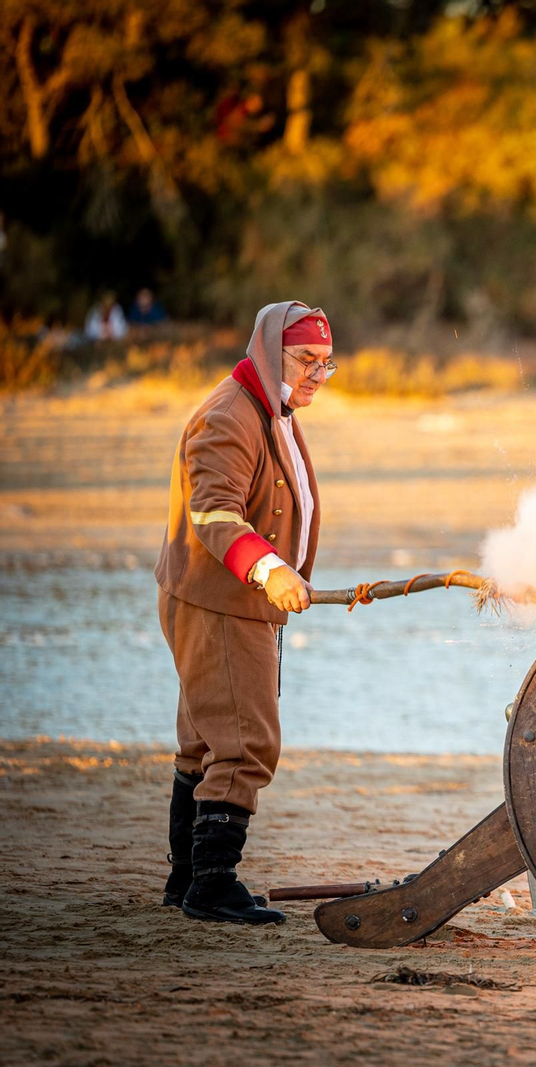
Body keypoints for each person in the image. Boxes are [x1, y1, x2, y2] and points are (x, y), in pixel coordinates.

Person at [154, 300, 335, 924]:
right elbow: (214, 514)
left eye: (325, 364)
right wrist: (269, 569)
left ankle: (187, 880)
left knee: (203, 742)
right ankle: (212, 886)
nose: (316, 374)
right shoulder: (231, 416)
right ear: (270, 352)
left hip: (227, 598)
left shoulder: (268, 404)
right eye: (306, 360)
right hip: (222, 600)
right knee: (246, 743)